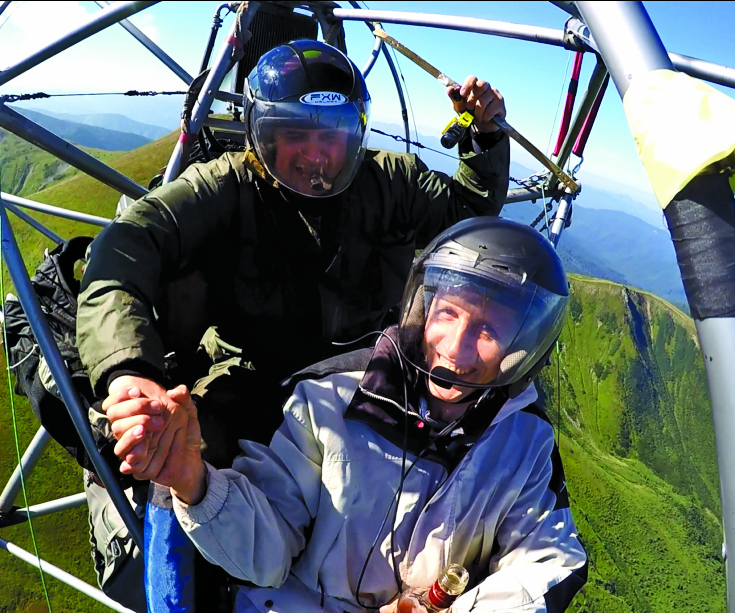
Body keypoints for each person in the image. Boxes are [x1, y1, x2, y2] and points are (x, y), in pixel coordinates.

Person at [77, 38, 510, 608]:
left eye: (330, 137)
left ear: (354, 135)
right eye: (293, 136)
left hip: (368, 369)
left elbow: (468, 215)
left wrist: (484, 138)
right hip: (254, 376)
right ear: (262, 136)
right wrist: (128, 371)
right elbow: (127, 245)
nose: (315, 157)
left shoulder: (388, 182)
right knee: (175, 458)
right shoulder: (226, 187)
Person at [109, 217, 588, 612]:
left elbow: (551, 562)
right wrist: (194, 483)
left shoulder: (525, 441)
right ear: (423, 309)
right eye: (448, 313)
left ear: (522, 350)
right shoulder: (331, 397)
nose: (456, 349)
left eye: (488, 330)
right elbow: (267, 554)